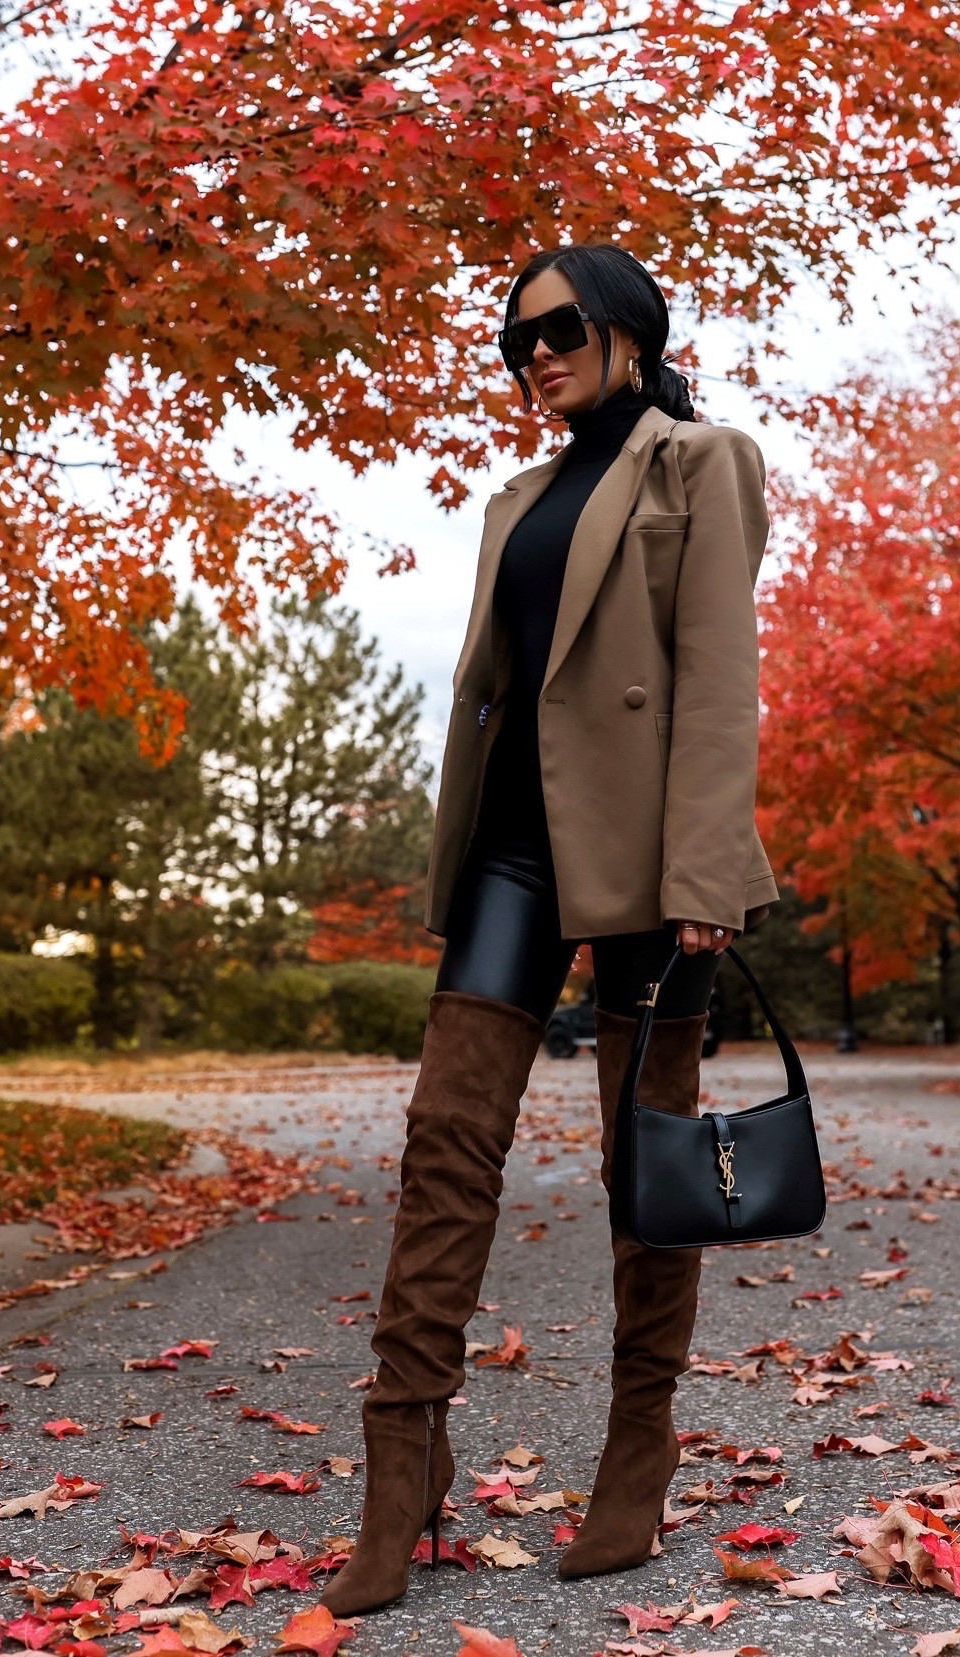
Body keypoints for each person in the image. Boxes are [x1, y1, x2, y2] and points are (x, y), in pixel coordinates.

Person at [318, 240, 780, 1616]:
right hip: (515, 849)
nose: (535, 352)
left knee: (650, 1170)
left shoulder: (701, 464)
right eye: (514, 336)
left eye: (561, 326)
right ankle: (403, 1461)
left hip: (648, 855)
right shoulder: (517, 494)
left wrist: (706, 868)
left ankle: (637, 1449)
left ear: (630, 332)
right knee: (445, 1138)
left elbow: (716, 672)